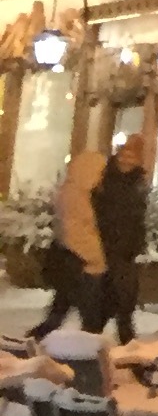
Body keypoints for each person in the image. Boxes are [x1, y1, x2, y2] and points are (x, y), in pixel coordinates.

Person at [25, 142, 110, 336]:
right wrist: (97, 258)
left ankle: (34, 341)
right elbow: (75, 232)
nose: (102, 176)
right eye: (100, 171)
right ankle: (87, 354)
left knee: (61, 311)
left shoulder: (76, 192)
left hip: (76, 261)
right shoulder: (76, 196)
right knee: (90, 317)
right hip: (82, 263)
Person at [89, 135, 150, 340]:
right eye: (124, 155)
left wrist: (137, 241)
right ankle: (117, 339)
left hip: (126, 249)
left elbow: (137, 217)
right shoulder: (106, 178)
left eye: (133, 157)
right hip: (106, 244)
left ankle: (100, 336)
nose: (127, 161)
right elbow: (99, 211)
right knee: (115, 296)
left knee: (121, 297)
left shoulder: (138, 182)